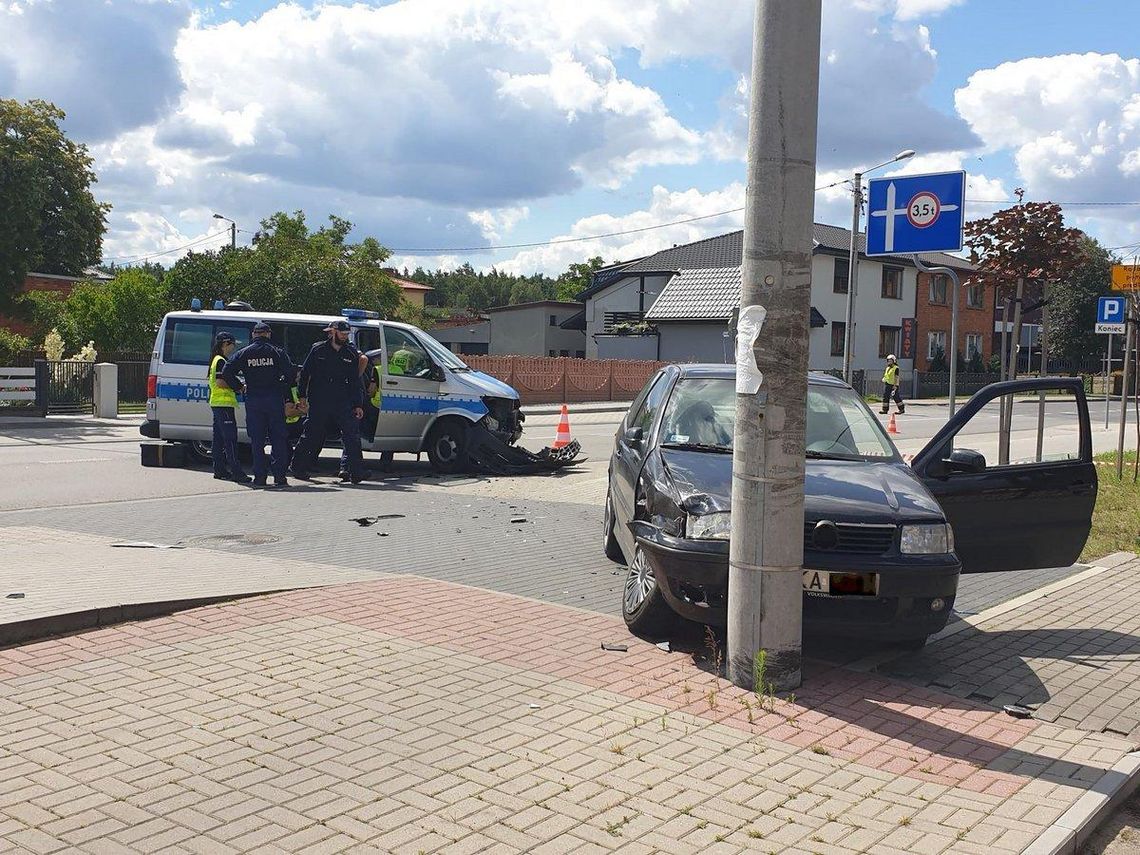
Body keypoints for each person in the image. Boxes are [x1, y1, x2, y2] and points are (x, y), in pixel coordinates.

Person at [291, 319, 367, 483]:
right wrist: (302, 396)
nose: (345, 337)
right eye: (342, 333)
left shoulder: (350, 353)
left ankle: (356, 472)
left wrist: (358, 404)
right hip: (320, 399)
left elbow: (354, 381)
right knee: (311, 434)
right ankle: (298, 468)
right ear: (333, 332)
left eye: (347, 334)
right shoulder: (318, 350)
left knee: (351, 435)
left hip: (342, 400)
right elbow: (305, 374)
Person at [222, 321, 295, 487]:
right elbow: (289, 374)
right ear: (268, 334)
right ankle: (279, 477)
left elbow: (227, 372)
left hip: (254, 400)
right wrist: (287, 394)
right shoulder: (277, 352)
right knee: (278, 439)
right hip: (274, 400)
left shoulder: (244, 353)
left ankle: (260, 478)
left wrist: (239, 387)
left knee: (257, 441)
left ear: (254, 334)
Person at [207, 332, 251, 483]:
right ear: (225, 344)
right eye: (232, 344)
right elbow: (220, 382)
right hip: (223, 404)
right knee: (230, 439)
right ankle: (237, 472)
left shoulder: (216, 359)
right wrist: (239, 387)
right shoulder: (220, 361)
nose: (234, 347)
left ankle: (219, 470)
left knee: (218, 439)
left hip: (217, 404)